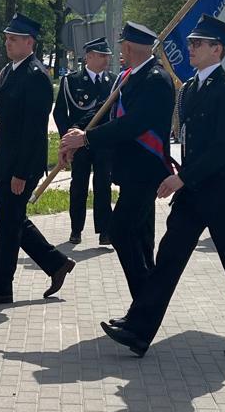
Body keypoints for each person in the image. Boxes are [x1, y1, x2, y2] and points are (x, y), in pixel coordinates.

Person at [99, 15, 225, 359]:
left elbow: (223, 147)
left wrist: (183, 177)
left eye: (197, 44)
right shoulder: (190, 88)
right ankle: (139, 330)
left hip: (223, 193)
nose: (190, 48)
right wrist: (177, 169)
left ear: (217, 49)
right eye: (191, 43)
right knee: (168, 260)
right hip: (194, 193)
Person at [0, 15, 74, 306]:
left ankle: (1, 288)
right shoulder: (11, 71)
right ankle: (56, 264)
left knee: (7, 225)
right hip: (6, 161)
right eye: (6, 38)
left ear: (30, 42)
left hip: (21, 166)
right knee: (14, 221)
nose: (7, 43)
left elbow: (32, 130)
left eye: (13, 39)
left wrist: (22, 173)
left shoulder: (36, 75)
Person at [60, 23, 170, 299]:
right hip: (132, 170)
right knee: (142, 240)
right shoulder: (132, 76)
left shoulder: (155, 79)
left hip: (145, 169)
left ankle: (145, 304)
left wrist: (85, 139)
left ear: (129, 47)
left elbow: (132, 124)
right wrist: (78, 132)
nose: (118, 50)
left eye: (121, 45)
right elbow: (106, 113)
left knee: (120, 231)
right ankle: (145, 305)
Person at [52, 37, 114, 245]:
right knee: (78, 185)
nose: (106, 59)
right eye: (102, 55)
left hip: (103, 141)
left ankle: (105, 230)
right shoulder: (71, 81)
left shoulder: (113, 81)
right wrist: (67, 138)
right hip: (78, 144)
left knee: (103, 185)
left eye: (107, 55)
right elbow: (60, 112)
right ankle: (76, 229)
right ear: (88, 56)